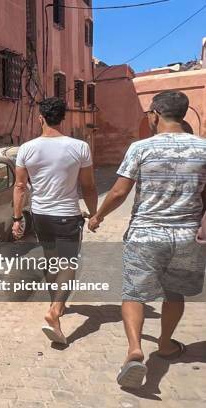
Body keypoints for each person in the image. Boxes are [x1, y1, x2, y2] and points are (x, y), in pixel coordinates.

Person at [88, 91, 206, 389]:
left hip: (145, 234)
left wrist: (97, 216)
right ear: (183, 114)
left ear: (154, 114)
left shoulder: (141, 148)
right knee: (174, 293)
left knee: (134, 293)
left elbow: (118, 192)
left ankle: (134, 350)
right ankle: (165, 344)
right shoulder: (203, 149)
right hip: (186, 234)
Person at [13, 97, 98, 345]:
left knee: (52, 262)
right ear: (64, 118)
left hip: (40, 215)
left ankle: (55, 304)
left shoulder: (27, 149)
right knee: (68, 263)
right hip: (67, 215)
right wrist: (94, 213)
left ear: (41, 118)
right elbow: (89, 186)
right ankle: (55, 310)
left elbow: (20, 186)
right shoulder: (79, 147)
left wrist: (17, 218)